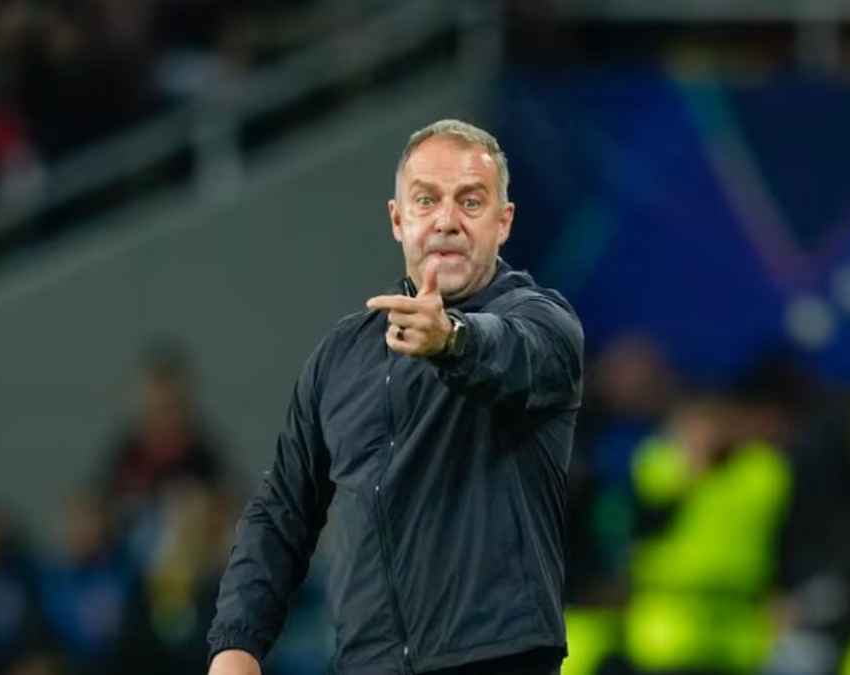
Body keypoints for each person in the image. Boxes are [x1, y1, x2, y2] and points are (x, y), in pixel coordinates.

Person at [207, 119, 585, 675]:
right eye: (426, 200)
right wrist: (235, 644)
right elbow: (282, 510)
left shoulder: (543, 322)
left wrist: (451, 340)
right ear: (397, 219)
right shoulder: (341, 356)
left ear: (503, 222)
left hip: (496, 661)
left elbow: (512, 352)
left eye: (471, 202)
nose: (447, 221)